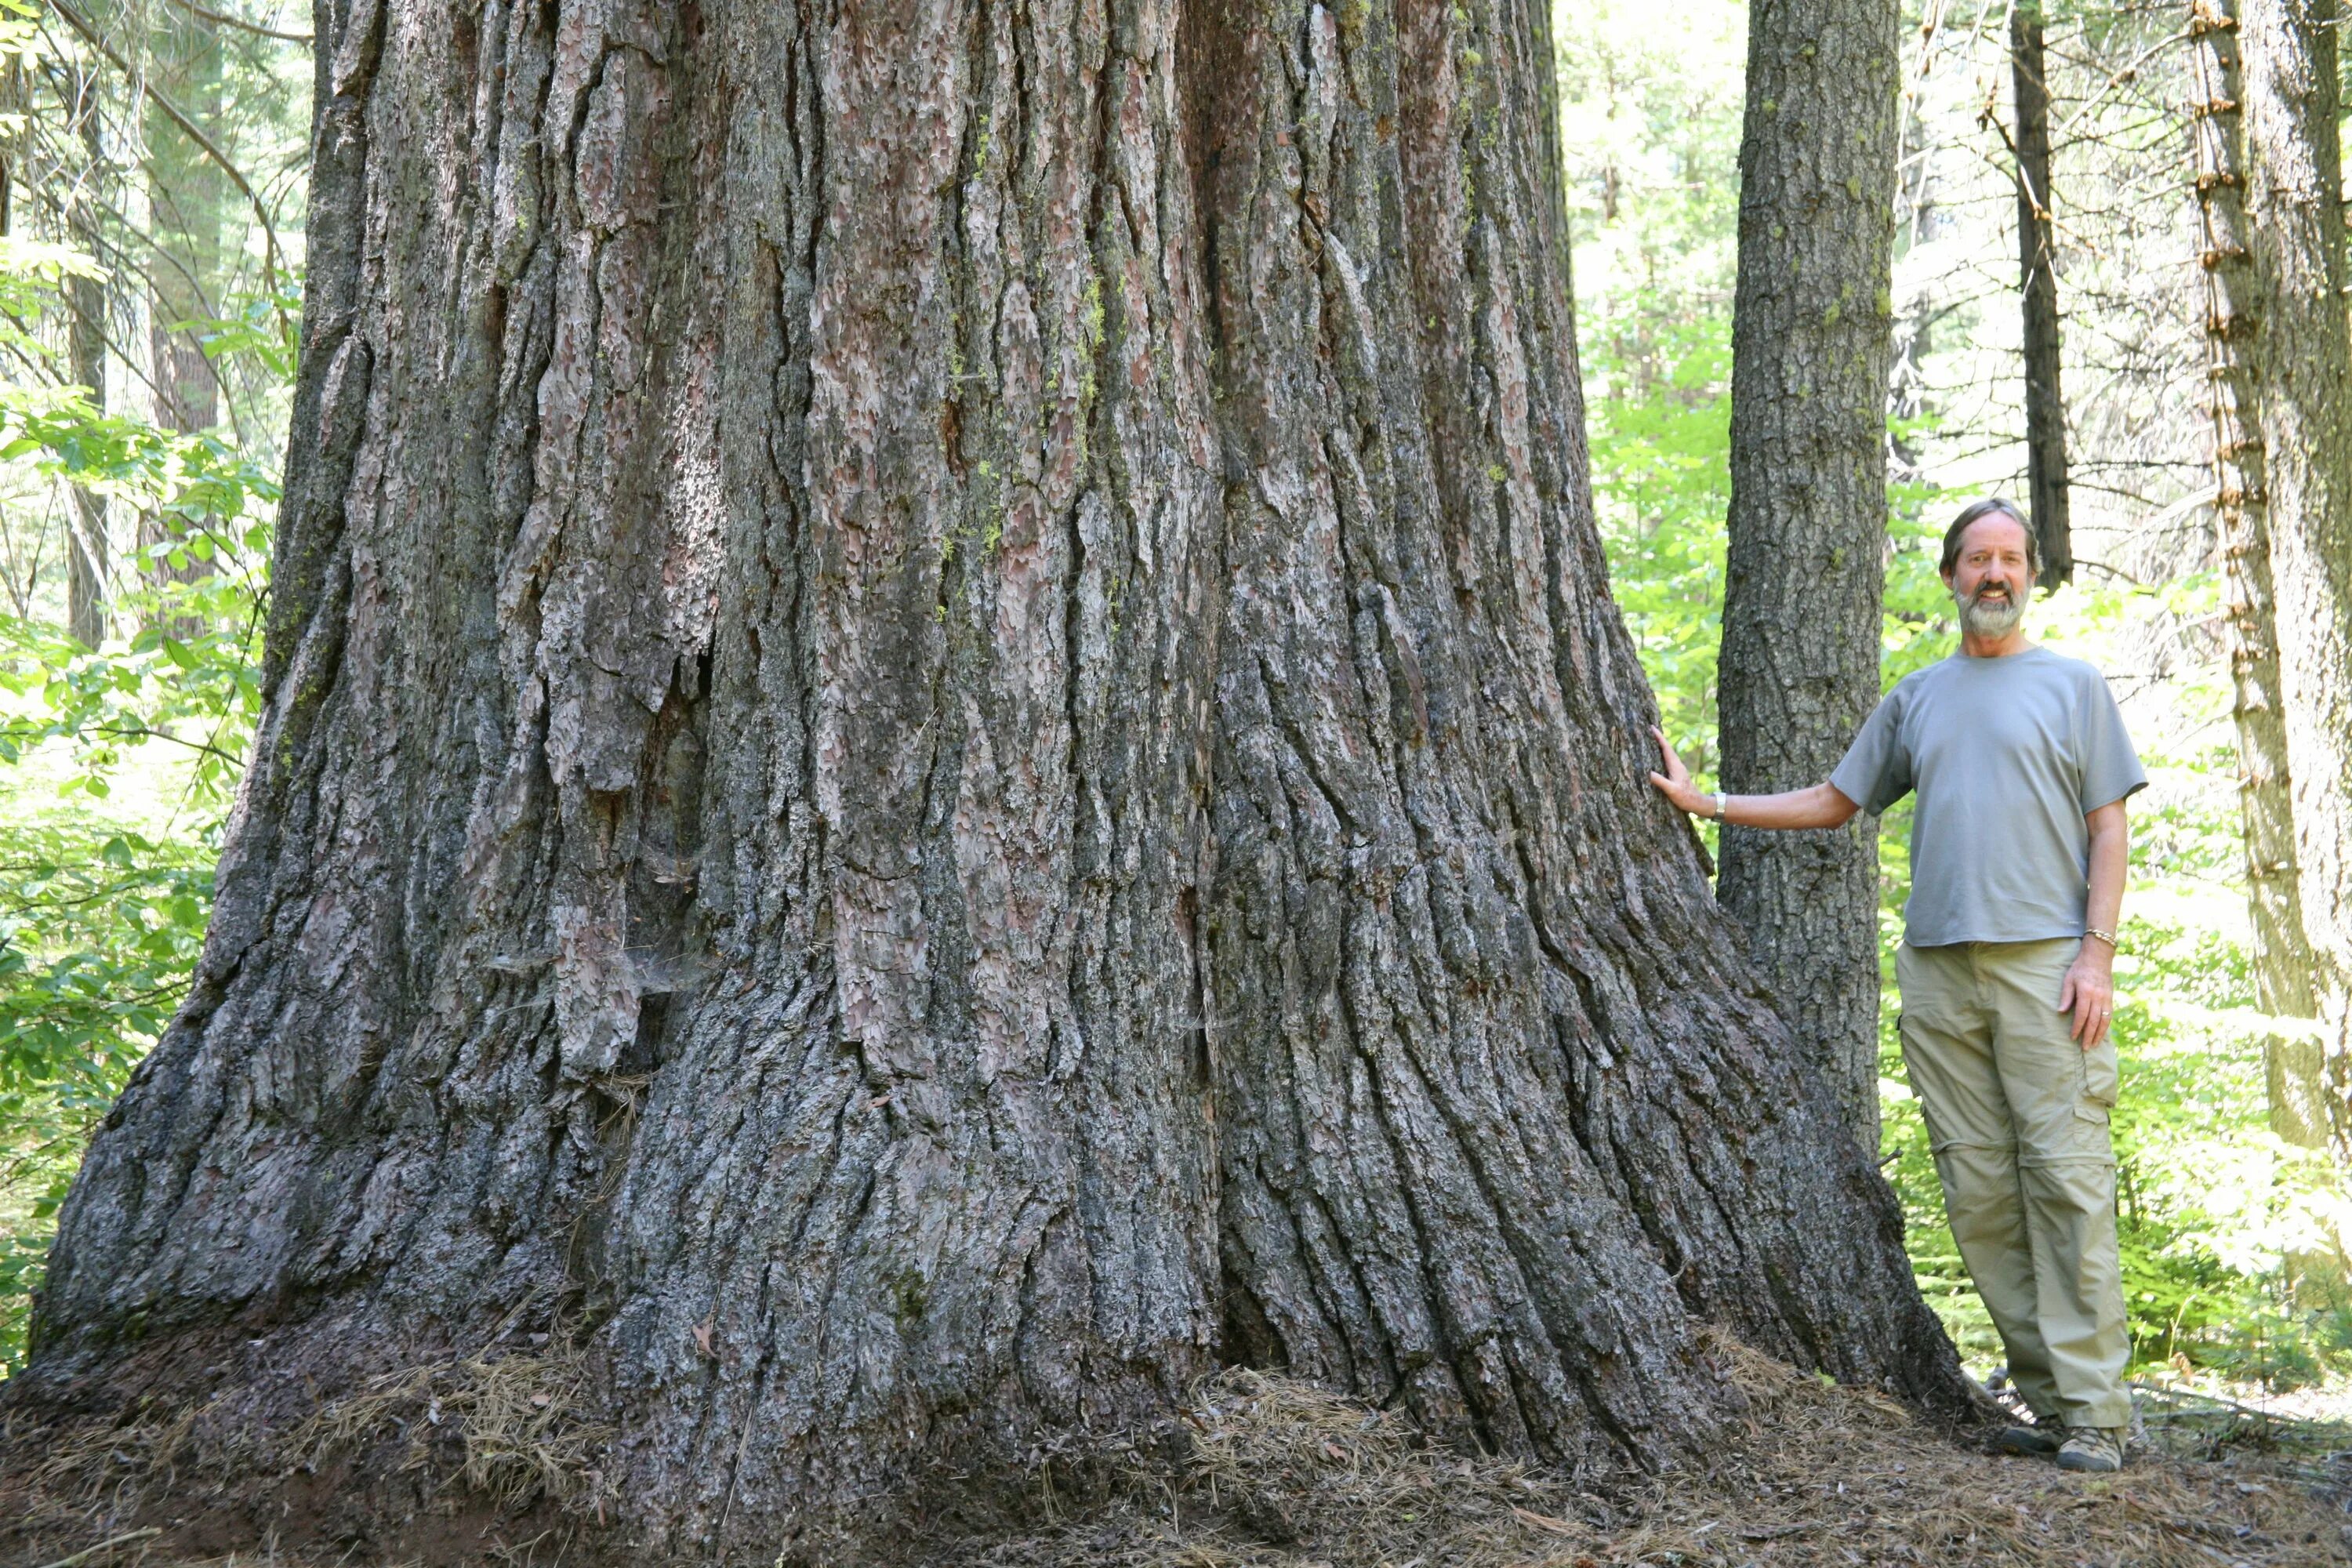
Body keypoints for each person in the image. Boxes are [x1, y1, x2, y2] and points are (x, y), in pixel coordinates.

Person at [1648, 498, 2145, 1475]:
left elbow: (2109, 827)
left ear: (2030, 576)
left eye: (2010, 558)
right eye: (1977, 558)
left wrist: (2097, 953)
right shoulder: (1918, 696)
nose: (1994, 574)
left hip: (2049, 965)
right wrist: (1707, 801)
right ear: (1952, 574)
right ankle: (2053, 1402)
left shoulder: (2075, 686)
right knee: (1981, 1192)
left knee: (2068, 1180)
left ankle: (2101, 1414)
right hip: (1938, 972)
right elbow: (1836, 800)